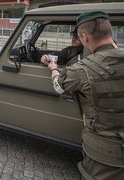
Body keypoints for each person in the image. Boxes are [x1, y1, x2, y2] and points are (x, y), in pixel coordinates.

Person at [47, 11, 124, 179]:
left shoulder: (82, 69)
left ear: (84, 37)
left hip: (105, 154)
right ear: (110, 32)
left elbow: (58, 87)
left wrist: (53, 69)